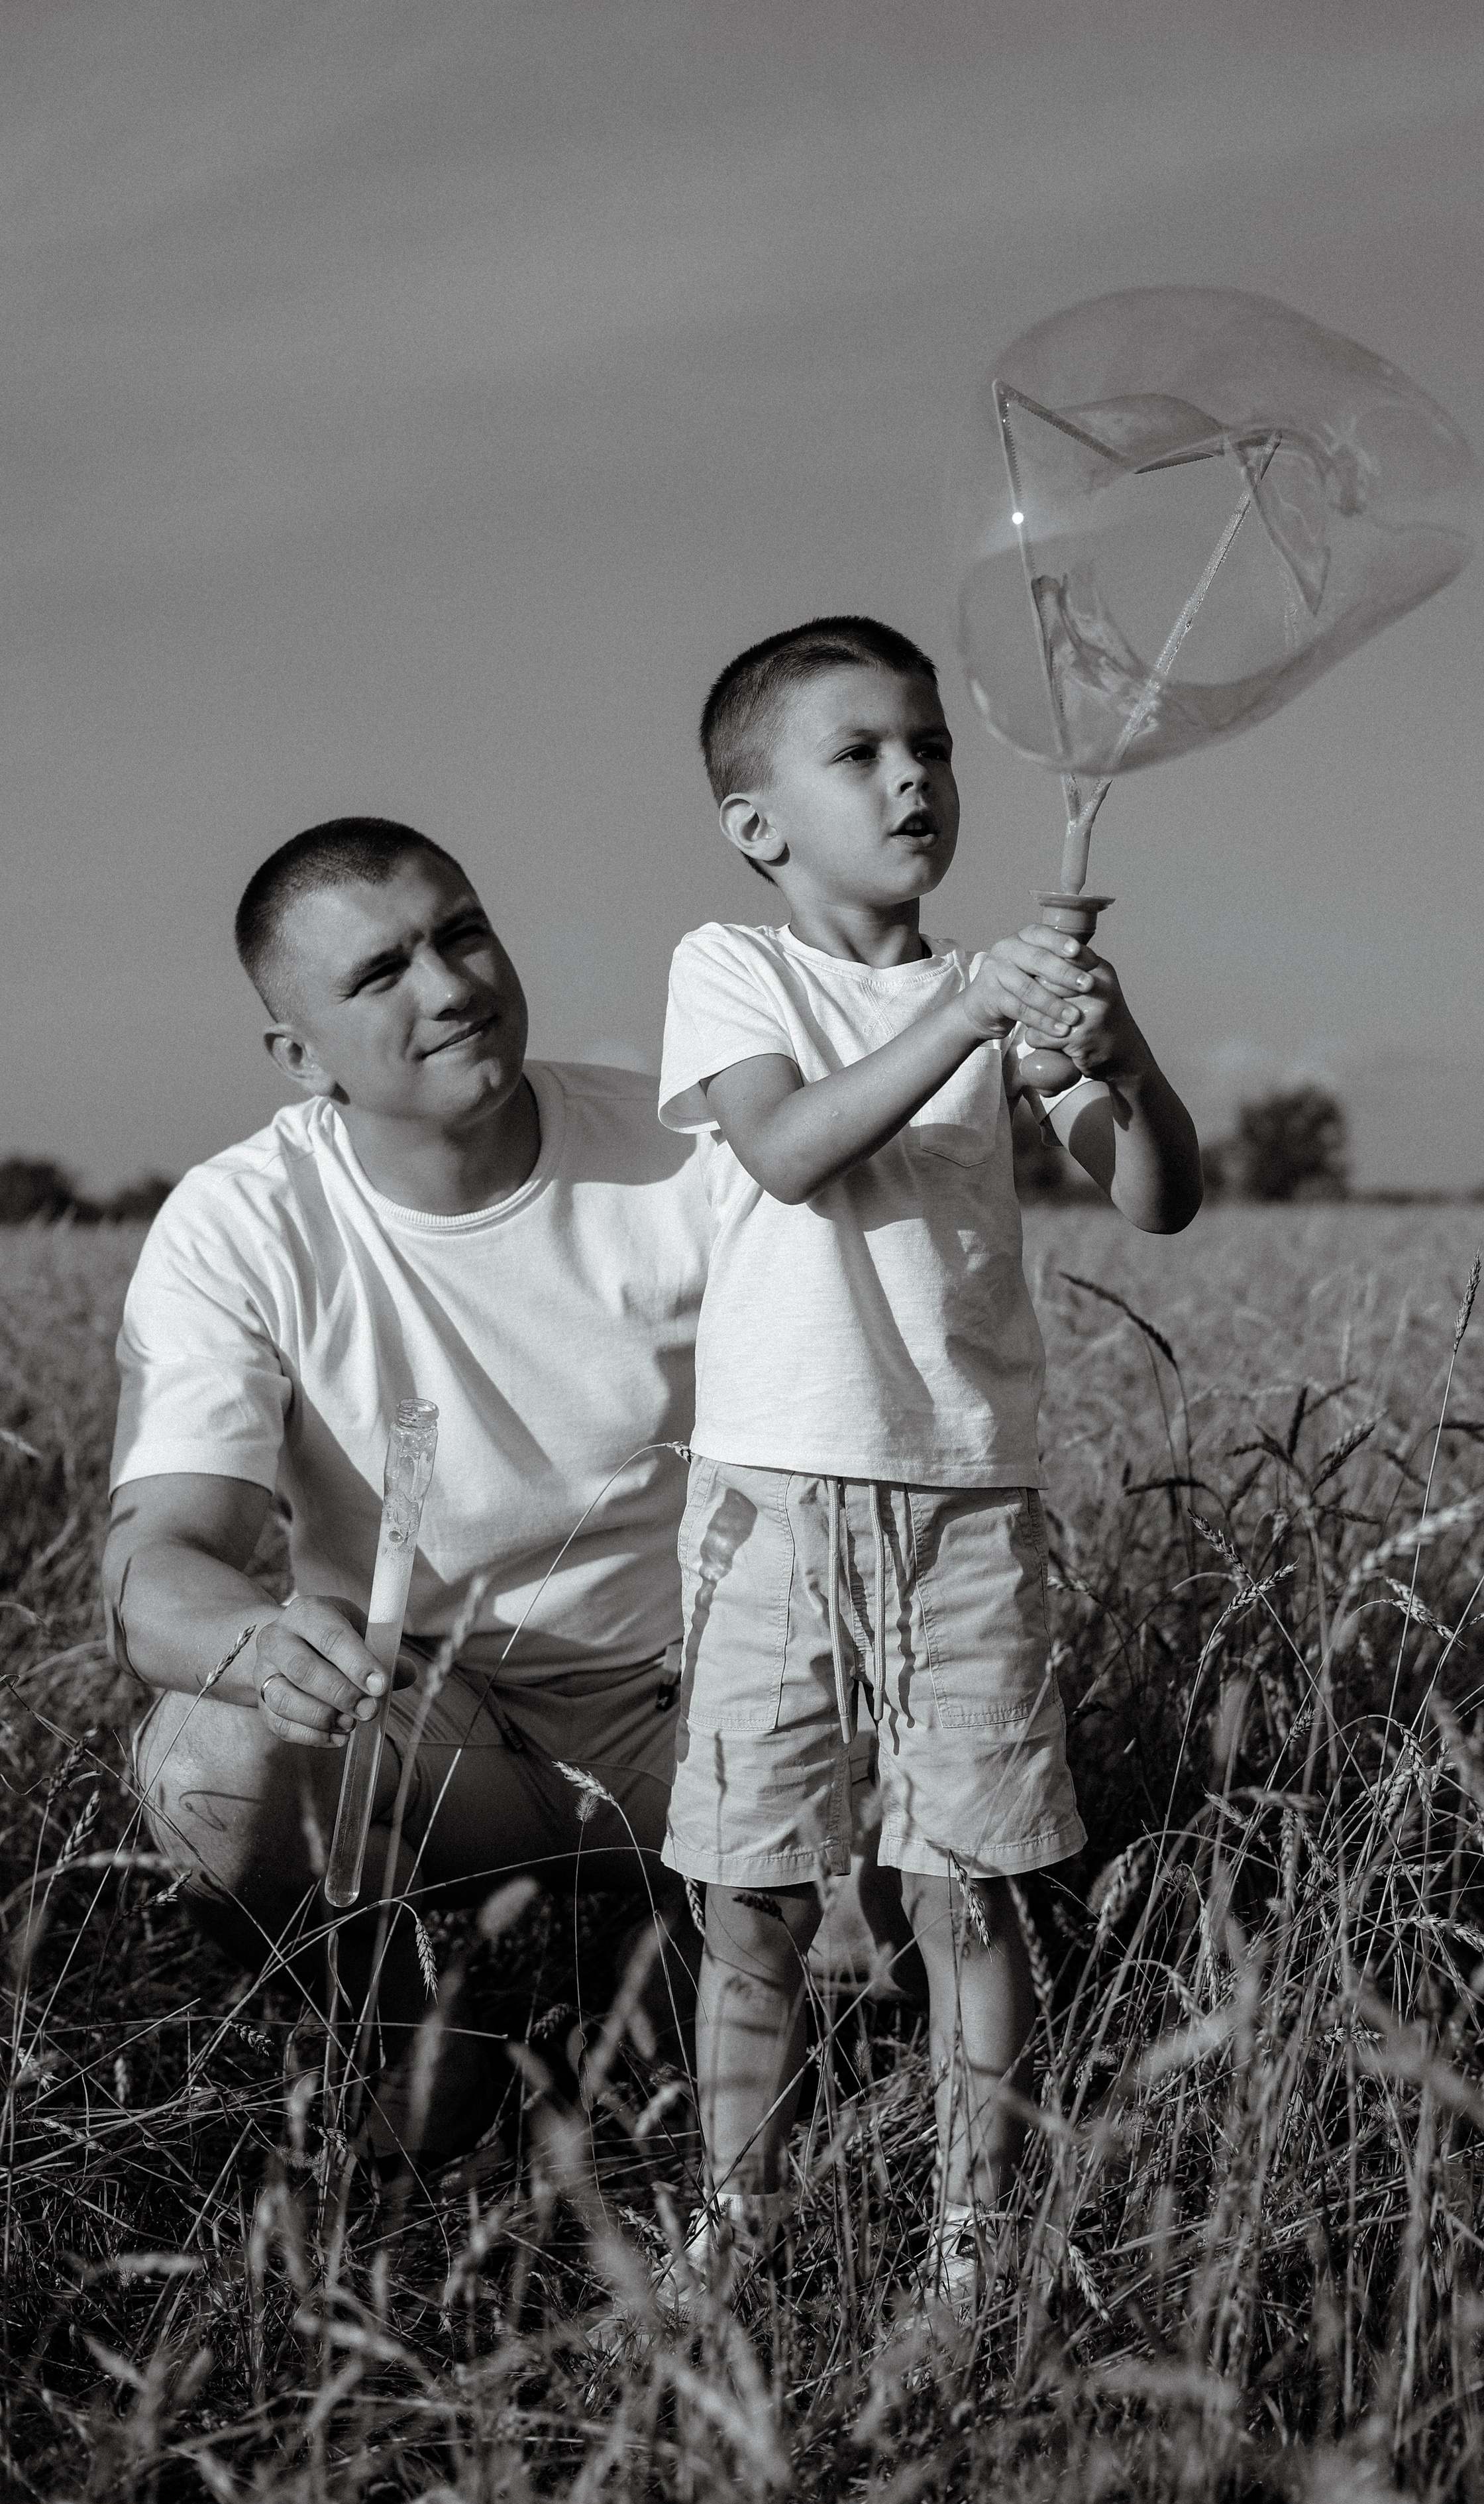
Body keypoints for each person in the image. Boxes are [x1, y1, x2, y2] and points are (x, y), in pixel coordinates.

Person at [656, 617, 1202, 2307]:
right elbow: (791, 1147)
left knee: (965, 1885)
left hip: (968, 1496)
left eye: (933, 749)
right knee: (750, 1891)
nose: (913, 777)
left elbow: (1157, 1193)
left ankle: (974, 2232)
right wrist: (966, 1010)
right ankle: (736, 2210)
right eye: (860, 754)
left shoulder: (994, 989)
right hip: (772, 1500)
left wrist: (1113, 1055)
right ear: (760, 824)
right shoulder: (732, 967)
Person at [105, 818, 713, 2171]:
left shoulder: (690, 1154)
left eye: (462, 931)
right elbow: (155, 1560)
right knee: (208, 1765)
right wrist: (260, 1645)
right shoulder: (242, 1222)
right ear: (298, 1054)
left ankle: (671, 1964)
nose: (448, 987)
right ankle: (395, 2043)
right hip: (433, 1726)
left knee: (904, 1848)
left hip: (707, 1708)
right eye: (380, 975)